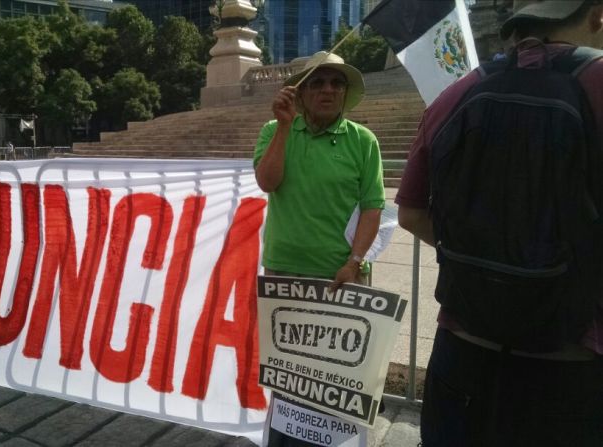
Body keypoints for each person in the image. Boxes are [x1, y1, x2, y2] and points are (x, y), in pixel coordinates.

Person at [396, 1, 603, 445]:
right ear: (598, 16)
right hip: (572, 362)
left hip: (463, 354)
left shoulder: (455, 94)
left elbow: (411, 213)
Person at [254, 51, 385, 445]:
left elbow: (372, 207)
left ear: (345, 93)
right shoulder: (272, 130)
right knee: (287, 376)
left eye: (337, 83)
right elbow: (268, 182)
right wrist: (282, 127)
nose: (328, 89)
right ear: (301, 91)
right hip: (284, 275)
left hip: (340, 278)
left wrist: (355, 261)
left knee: (337, 379)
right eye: (318, 82)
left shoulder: (363, 141)